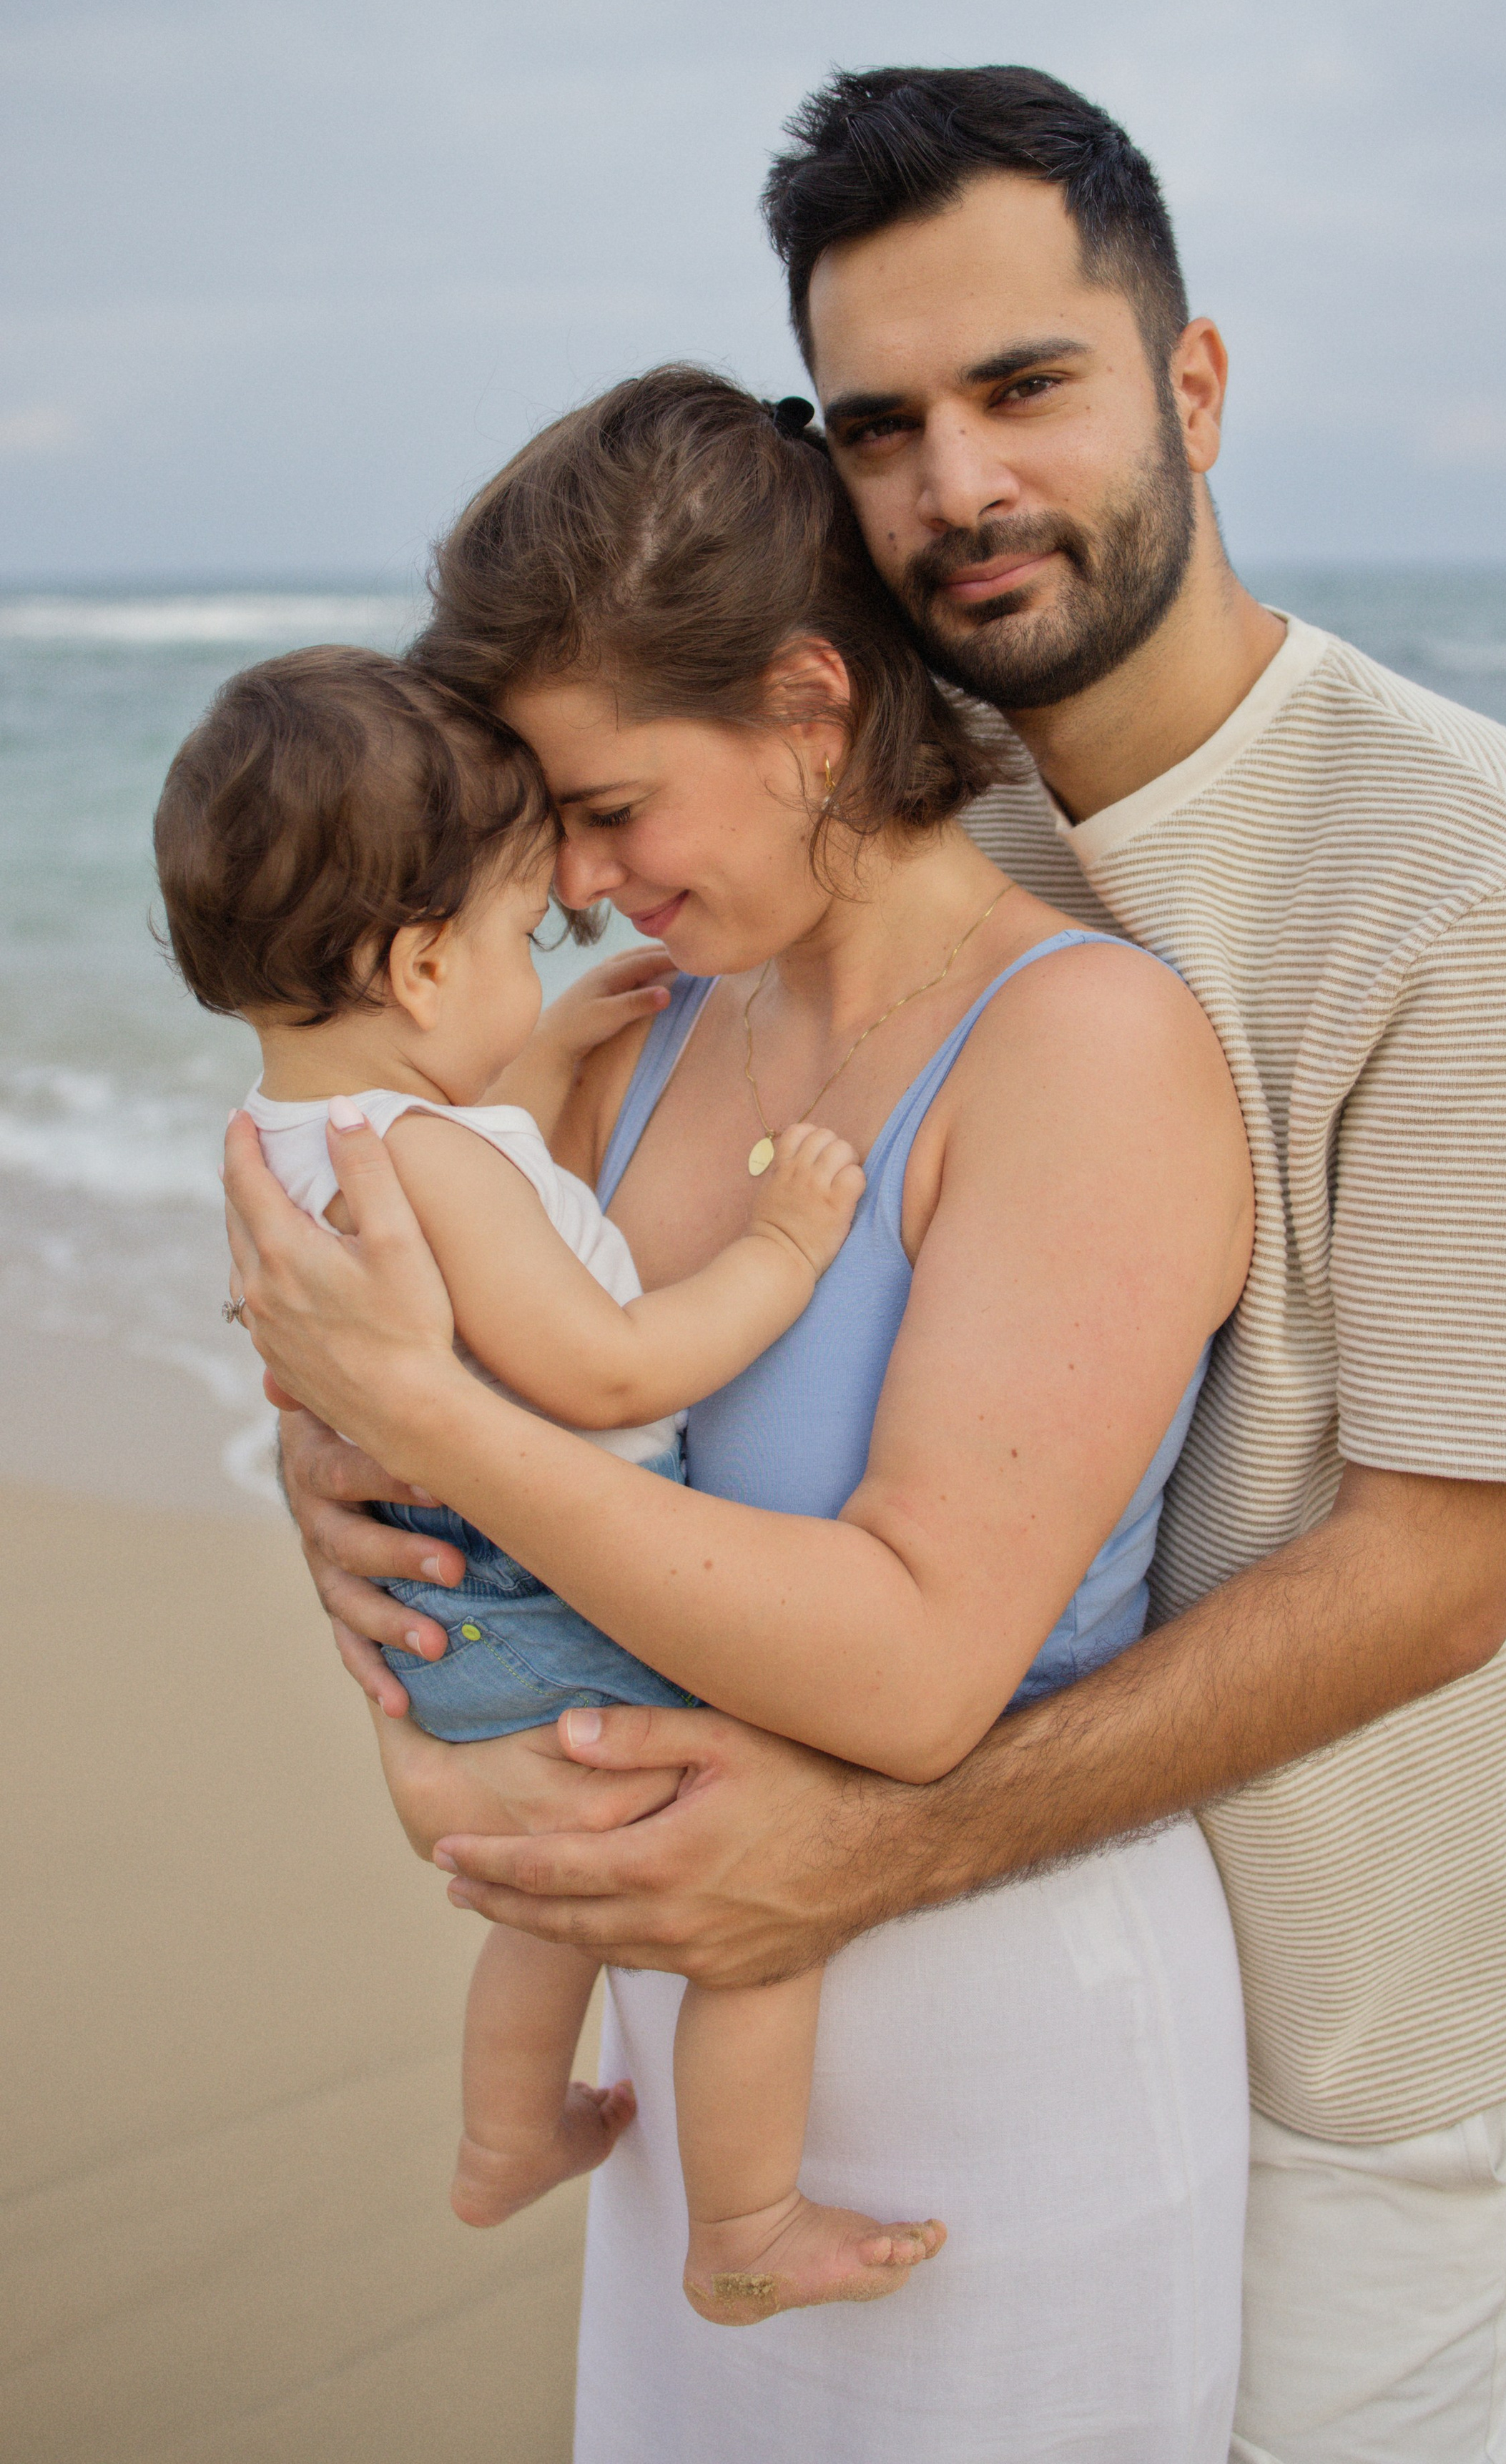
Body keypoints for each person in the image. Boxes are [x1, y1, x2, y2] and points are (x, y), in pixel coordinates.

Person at [256, 68, 1506, 2463]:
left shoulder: (1458, 875)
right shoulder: (886, 839)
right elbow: (580, 1367)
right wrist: (364, 1493)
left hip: (1351, 2007)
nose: (955, 488)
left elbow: (1432, 1571)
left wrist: (872, 1842)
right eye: (880, 424)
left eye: (1026, 388)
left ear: (1190, 384)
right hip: (851, 1987)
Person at [225, 368, 1256, 2455]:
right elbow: (482, 1470)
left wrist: (421, 1405)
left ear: (805, 704)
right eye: (547, 836)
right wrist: (338, 1489)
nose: (583, 884)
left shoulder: (1085, 1050)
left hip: (997, 2074)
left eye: (608, 809)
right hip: (683, 2079)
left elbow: (903, 1677)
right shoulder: (631, 1047)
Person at [157, 646, 996, 2311]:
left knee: (552, 1903)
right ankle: (744, 2227)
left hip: (448, 1631)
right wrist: (779, 1248)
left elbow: (452, 1213)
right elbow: (606, 1364)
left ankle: (505, 2137)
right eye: (514, 937)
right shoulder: (441, 1161)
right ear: (414, 962)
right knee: (748, 1898)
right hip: (558, 1601)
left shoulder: (281, 1145)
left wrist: (530, 1060)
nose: (558, 942)